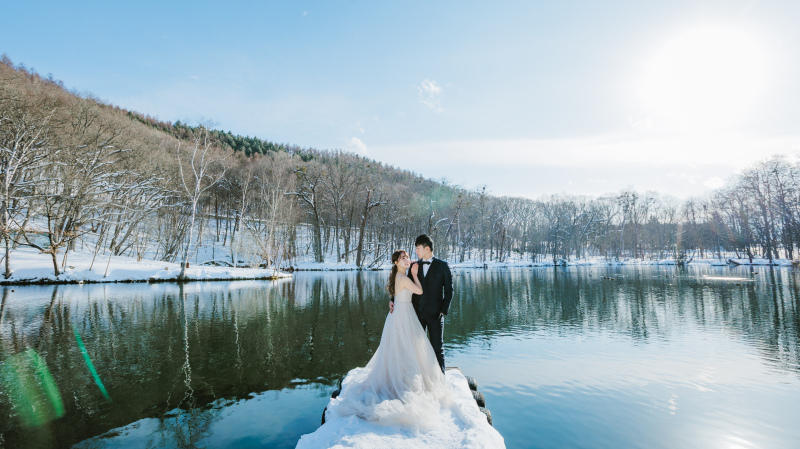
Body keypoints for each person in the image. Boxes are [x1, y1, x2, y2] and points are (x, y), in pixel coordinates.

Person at [326, 250, 452, 429]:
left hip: (399, 314)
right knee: (407, 348)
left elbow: (399, 294)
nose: (407, 259)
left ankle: (398, 376)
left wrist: (393, 297)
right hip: (403, 316)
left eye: (408, 257)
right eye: (403, 258)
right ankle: (400, 381)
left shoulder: (398, 276)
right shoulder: (404, 278)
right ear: (396, 263)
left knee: (399, 349)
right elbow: (419, 290)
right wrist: (415, 275)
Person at [391, 234, 453, 372]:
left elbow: (449, 290)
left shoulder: (443, 266)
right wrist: (392, 300)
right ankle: (420, 376)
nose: (416, 252)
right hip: (416, 314)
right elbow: (402, 287)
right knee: (417, 348)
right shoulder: (414, 265)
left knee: (437, 347)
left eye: (418, 248)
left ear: (427, 248)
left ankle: (440, 377)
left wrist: (443, 310)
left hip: (436, 314)